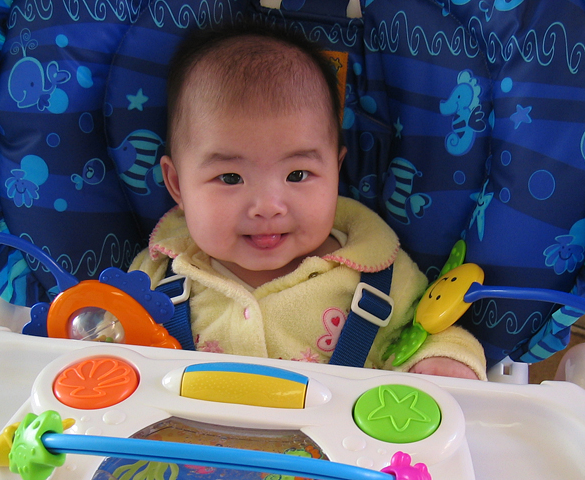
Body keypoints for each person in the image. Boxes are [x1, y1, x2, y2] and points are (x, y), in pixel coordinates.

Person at [129, 22, 487, 380]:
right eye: (230, 178)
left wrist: (443, 362)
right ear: (177, 184)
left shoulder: (378, 273)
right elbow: (105, 348)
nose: (268, 207)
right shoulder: (154, 277)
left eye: (297, 175)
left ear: (335, 170)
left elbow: (423, 336)